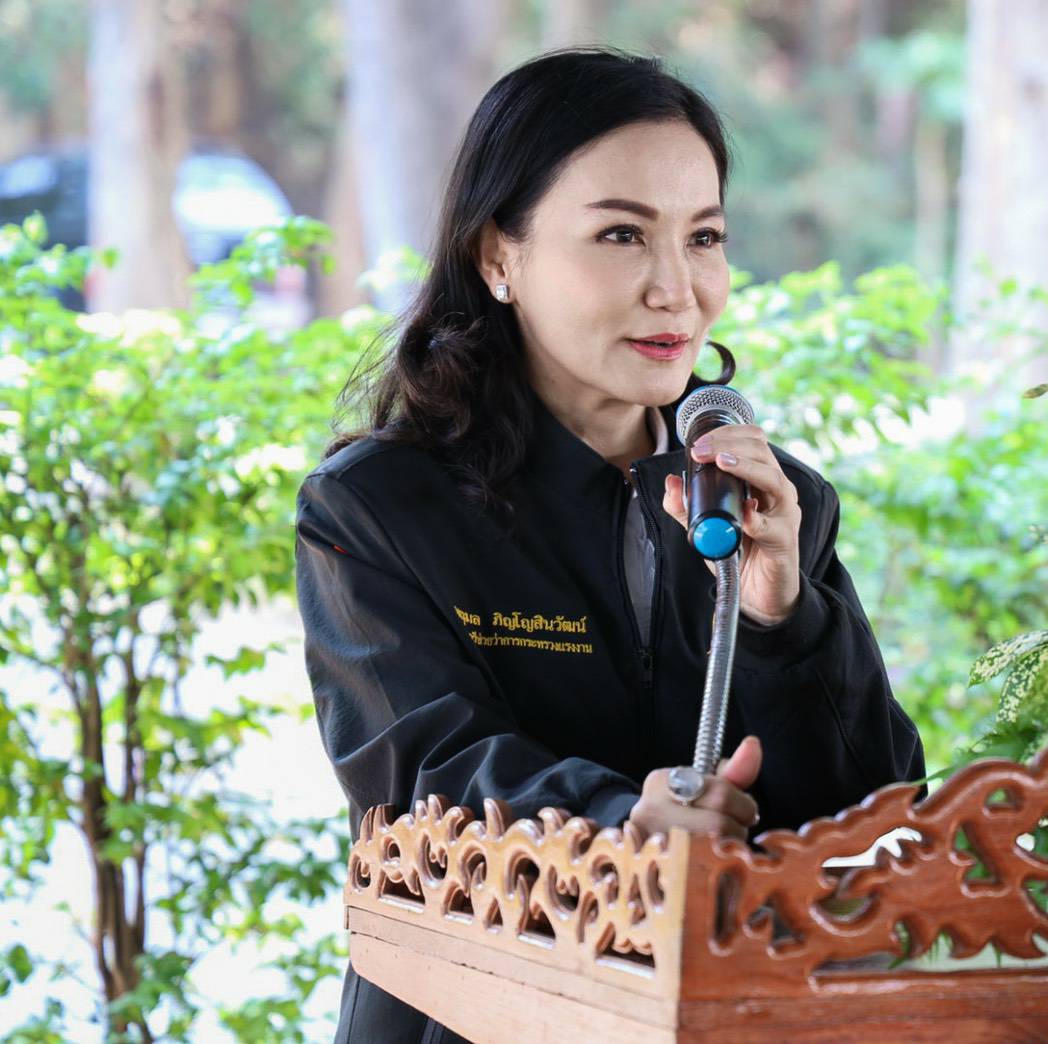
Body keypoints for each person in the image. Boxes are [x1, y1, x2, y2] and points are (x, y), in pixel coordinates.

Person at [294, 48, 926, 1043]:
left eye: (703, 237)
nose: (677, 289)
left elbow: (876, 815)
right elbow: (424, 774)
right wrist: (621, 821)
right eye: (621, 234)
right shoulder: (377, 507)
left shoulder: (774, 501)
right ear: (498, 258)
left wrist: (782, 619)